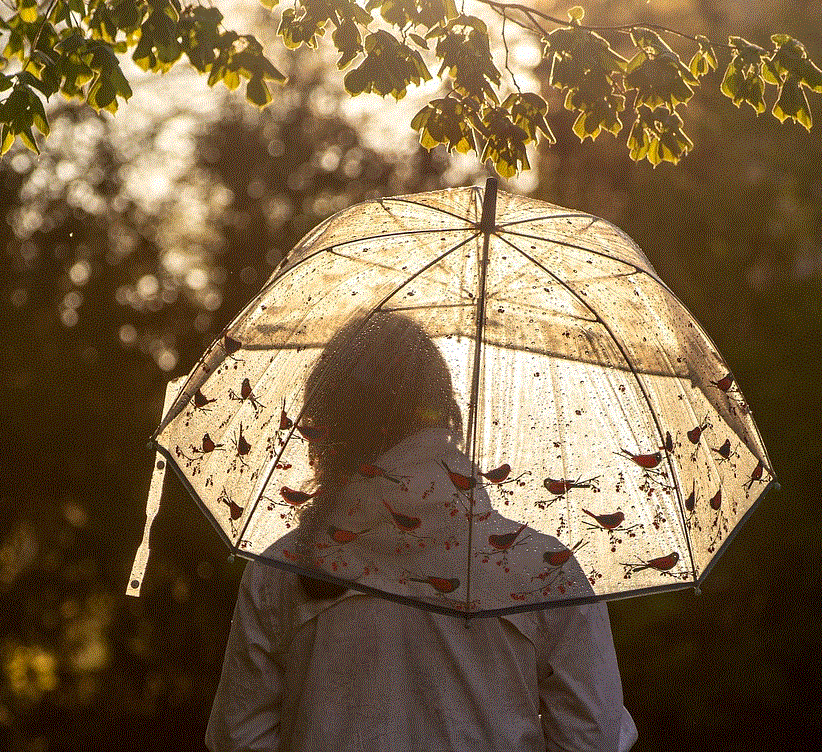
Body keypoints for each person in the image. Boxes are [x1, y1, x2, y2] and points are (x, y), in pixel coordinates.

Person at [205, 312, 638, 752]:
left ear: (328, 425)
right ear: (444, 415)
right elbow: (593, 739)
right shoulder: (544, 571)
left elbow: (238, 738)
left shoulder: (284, 569)